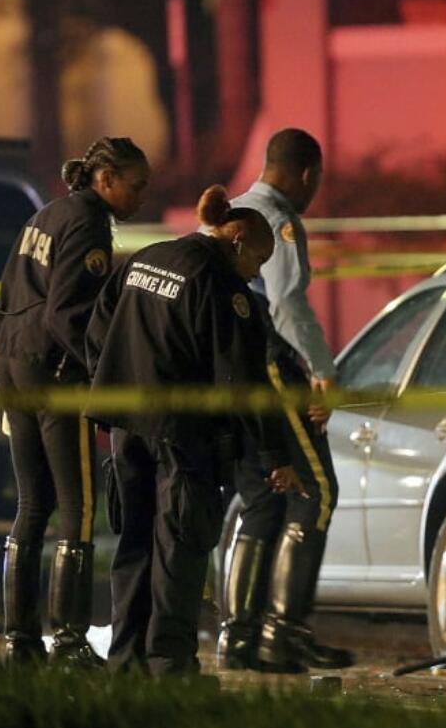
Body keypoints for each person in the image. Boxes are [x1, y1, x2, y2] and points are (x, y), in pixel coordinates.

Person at [85, 186, 303, 676]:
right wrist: (274, 456)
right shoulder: (221, 285)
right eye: (259, 259)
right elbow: (242, 381)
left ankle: (126, 662)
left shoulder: (149, 256)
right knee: (179, 551)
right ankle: (170, 667)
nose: (258, 271)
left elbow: (99, 328)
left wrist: (113, 380)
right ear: (238, 237)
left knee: (134, 544)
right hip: (181, 436)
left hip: (126, 426)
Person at [0, 137, 150, 666]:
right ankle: (72, 643)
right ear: (105, 180)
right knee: (78, 509)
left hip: (9, 358)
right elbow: (67, 314)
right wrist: (103, 369)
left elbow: (12, 291)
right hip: (53, 369)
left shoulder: (49, 212)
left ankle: (20, 642)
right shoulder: (90, 223)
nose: (140, 197)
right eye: (135, 185)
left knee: (32, 503)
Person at [217, 127, 349, 673]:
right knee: (316, 490)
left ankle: (239, 638)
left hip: (231, 366)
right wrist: (321, 370)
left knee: (263, 499)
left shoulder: (232, 210)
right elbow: (288, 303)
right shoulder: (279, 221)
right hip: (271, 360)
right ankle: (282, 633)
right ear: (306, 174)